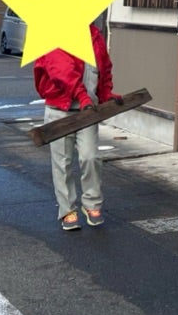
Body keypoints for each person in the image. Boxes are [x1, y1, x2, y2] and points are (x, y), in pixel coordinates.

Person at [33, 23, 117, 231]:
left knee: (91, 157)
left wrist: (106, 95)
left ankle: (92, 204)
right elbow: (62, 71)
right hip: (60, 109)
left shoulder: (94, 34)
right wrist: (82, 96)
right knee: (62, 163)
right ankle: (67, 210)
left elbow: (104, 68)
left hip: (87, 111)